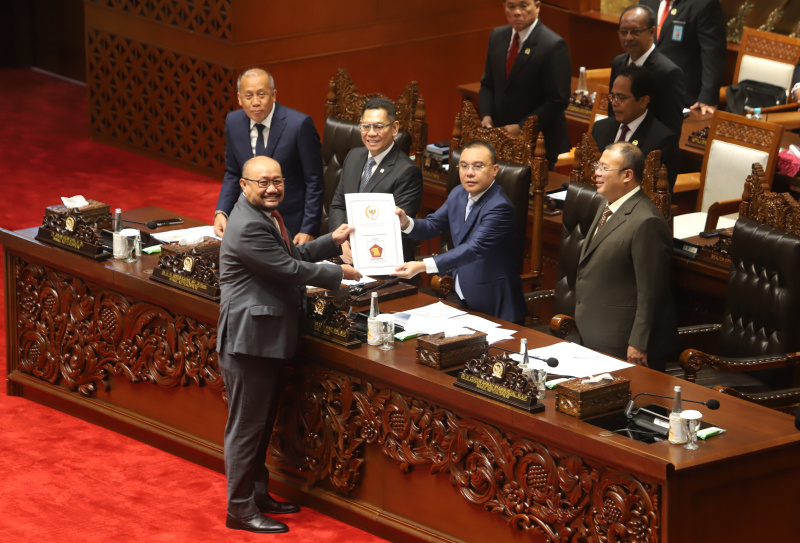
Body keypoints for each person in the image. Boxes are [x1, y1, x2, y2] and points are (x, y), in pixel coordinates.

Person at [217, 156, 361, 534]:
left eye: (277, 181)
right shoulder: (247, 224)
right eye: (262, 182)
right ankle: (239, 509)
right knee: (246, 428)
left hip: (264, 339)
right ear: (244, 185)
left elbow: (291, 255)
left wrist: (332, 241)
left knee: (260, 427)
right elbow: (288, 270)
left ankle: (257, 494)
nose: (271, 188)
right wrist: (337, 273)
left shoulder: (265, 216)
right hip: (249, 342)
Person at [393, 140, 527, 324]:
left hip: (496, 306)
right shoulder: (459, 193)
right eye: (464, 166)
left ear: (495, 169)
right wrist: (406, 223)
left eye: (478, 166)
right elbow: (433, 225)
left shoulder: (499, 207)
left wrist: (422, 265)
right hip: (465, 301)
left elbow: (474, 249)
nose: (469, 173)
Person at [574, 143, 679, 370]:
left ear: (627, 175)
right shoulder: (607, 204)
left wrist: (638, 343)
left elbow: (651, 290)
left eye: (604, 168)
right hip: (593, 332)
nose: (597, 173)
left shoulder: (646, 222)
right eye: (597, 166)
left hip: (623, 344)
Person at [214, 68, 324, 244]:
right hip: (248, 223)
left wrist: (308, 228)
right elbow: (234, 173)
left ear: (273, 95)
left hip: (290, 225)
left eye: (262, 95)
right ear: (239, 99)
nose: (255, 102)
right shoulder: (233, 122)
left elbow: (314, 180)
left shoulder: (299, 125)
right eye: (249, 96)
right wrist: (222, 211)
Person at [328, 97, 423, 263]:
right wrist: (341, 242)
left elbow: (395, 228)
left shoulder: (407, 171)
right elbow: (338, 205)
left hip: (384, 262)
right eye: (365, 126)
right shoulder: (353, 156)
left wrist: (357, 249)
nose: (371, 133)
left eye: (378, 126)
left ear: (394, 128)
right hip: (345, 256)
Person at [478, 0, 571, 167]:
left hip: (539, 144)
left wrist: (522, 127)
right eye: (511, 7)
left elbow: (558, 100)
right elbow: (487, 84)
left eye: (523, 6)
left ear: (537, 7)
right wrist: (486, 115)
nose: (517, 12)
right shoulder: (497, 36)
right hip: (502, 140)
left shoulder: (552, 45)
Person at [592, 65, 680, 191]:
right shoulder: (600, 128)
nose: (614, 103)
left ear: (643, 101)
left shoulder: (663, 141)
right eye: (612, 96)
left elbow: (658, 192)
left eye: (621, 97)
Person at [609, 4, 685, 138]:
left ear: (652, 32)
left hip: (648, 150)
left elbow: (670, 130)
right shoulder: (618, 63)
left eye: (636, 31)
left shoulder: (668, 73)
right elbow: (613, 114)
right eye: (623, 32)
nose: (628, 38)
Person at [641, 0, 726, 115]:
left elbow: (713, 55)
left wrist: (707, 98)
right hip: (646, 93)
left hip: (684, 98)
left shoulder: (704, 4)